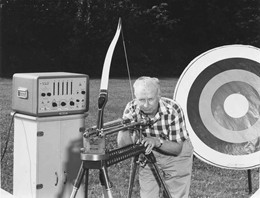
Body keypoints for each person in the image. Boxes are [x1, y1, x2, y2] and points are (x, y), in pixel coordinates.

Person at [117, 76, 193, 198]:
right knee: (148, 194)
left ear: (159, 95)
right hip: (148, 152)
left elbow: (177, 149)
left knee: (176, 194)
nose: (146, 105)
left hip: (175, 152)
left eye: (151, 99)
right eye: (141, 100)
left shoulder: (172, 110)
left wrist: (156, 141)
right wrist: (125, 127)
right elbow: (122, 145)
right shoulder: (132, 108)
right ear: (135, 98)